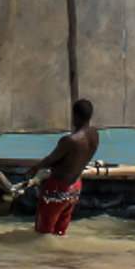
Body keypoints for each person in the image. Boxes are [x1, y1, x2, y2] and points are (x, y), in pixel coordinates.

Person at [24, 98, 99, 236]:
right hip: (75, 188)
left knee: (43, 233)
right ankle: (60, 257)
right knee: (59, 231)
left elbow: (50, 159)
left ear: (75, 117)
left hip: (57, 189)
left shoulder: (69, 141)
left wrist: (33, 170)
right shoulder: (94, 135)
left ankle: (44, 256)